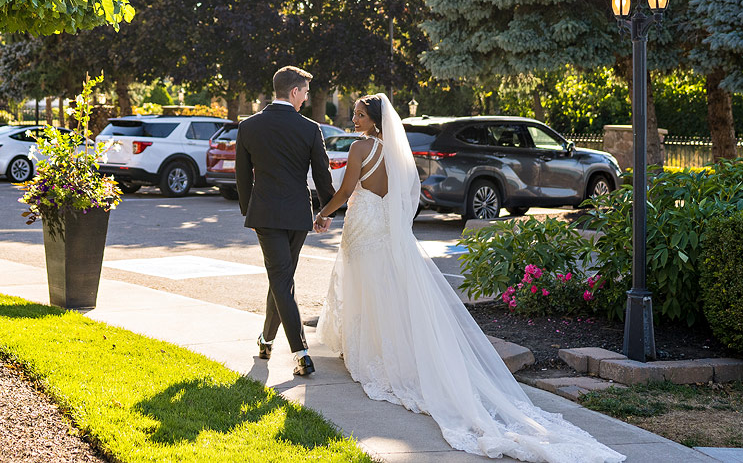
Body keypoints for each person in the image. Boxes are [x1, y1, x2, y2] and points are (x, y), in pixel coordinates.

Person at [313, 94, 624, 462]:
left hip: (363, 227)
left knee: (367, 289)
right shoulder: (395, 150)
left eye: (361, 115)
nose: (354, 120)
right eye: (355, 115)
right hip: (384, 228)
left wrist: (322, 212)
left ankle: (370, 354)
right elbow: (402, 195)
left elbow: (348, 190)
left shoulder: (360, 149)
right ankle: (383, 348)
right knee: (387, 290)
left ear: (375, 119)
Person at [236, 66, 336, 377]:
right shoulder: (310, 129)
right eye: (305, 92)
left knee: (281, 280)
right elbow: (322, 177)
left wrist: (247, 211)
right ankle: (289, 348)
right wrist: (326, 212)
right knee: (283, 279)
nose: (306, 98)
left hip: (265, 214)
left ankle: (293, 351)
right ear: (293, 92)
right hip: (297, 215)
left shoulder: (248, 126)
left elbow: (242, 176)